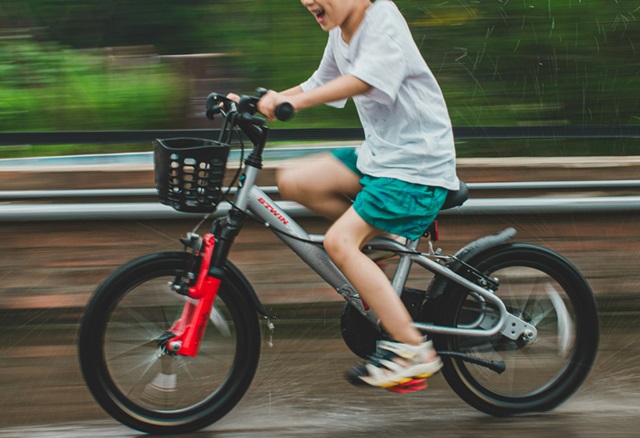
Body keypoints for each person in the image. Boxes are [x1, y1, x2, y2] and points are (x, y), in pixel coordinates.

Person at [257, 0, 460, 391]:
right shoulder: (341, 30)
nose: (308, 1)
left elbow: (366, 79)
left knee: (339, 242)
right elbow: (321, 83)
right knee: (294, 180)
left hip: (416, 167)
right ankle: (379, 253)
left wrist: (293, 103)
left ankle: (414, 351)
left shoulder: (382, 17)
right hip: (382, 158)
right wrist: (264, 101)